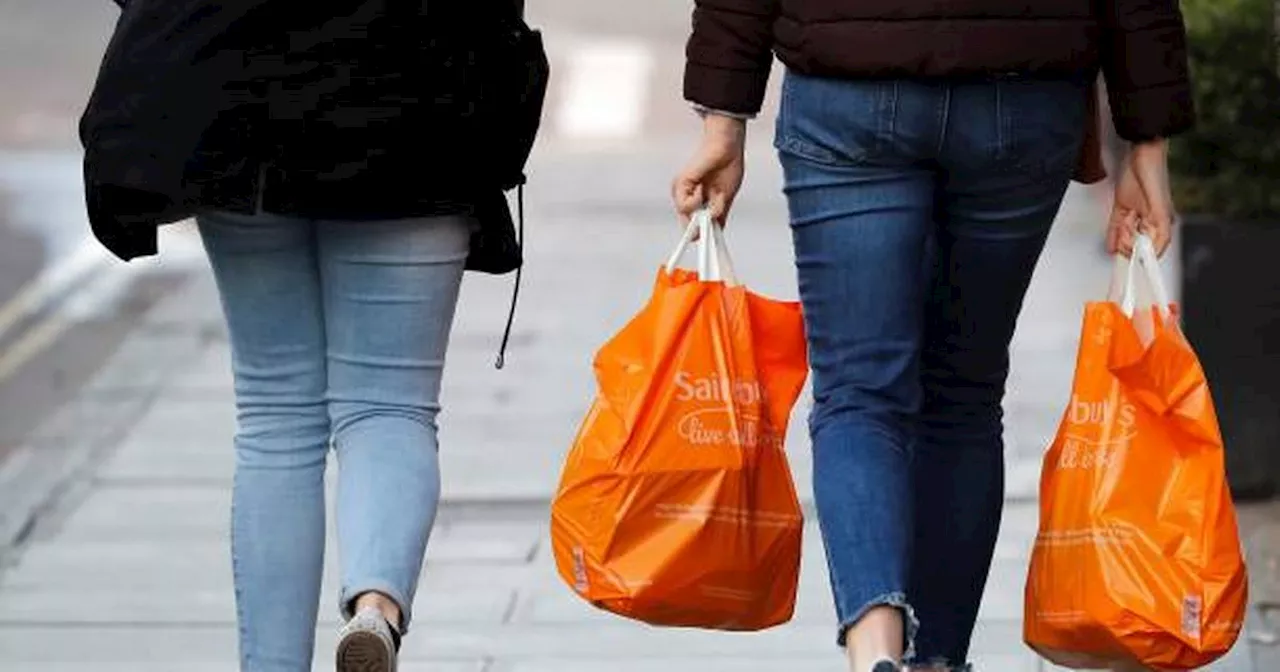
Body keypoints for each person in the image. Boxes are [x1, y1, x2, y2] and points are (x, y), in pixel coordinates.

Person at [674, 2, 1191, 671]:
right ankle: (937, 661)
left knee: (860, 392)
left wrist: (723, 116)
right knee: (964, 392)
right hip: (1023, 95)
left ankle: (875, 646)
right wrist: (1148, 140)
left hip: (848, 89)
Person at [80, 2, 547, 671]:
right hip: (419, 105)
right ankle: (376, 605)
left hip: (238, 95)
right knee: (390, 404)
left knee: (276, 415)